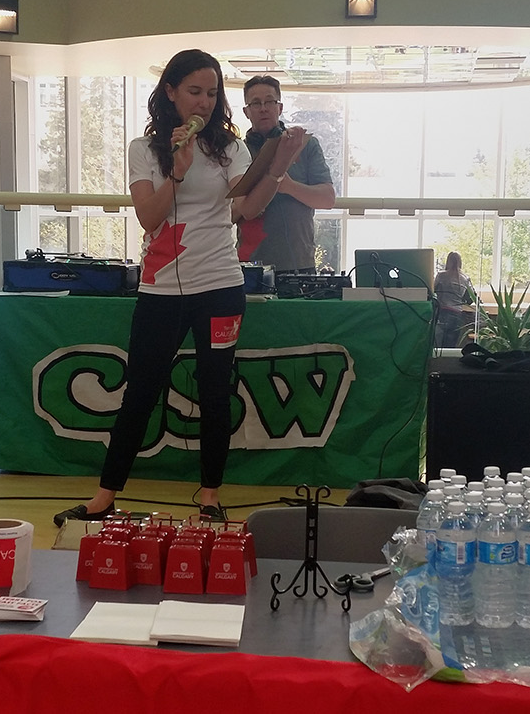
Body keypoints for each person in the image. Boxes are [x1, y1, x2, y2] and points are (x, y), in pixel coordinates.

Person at [54, 50, 303, 526]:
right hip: (161, 288)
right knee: (141, 392)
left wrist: (278, 167)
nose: (204, 102)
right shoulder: (144, 150)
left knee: (214, 391)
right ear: (170, 91)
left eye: (212, 93)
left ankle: (209, 495)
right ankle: (104, 498)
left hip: (220, 285)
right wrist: (178, 170)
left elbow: (247, 209)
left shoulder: (231, 148)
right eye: (194, 91)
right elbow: (149, 217)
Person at [235, 75, 334, 274]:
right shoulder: (236, 152)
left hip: (299, 262)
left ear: (279, 108)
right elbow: (225, 213)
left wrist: (287, 186)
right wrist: (256, 196)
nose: (263, 108)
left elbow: (327, 199)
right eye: (256, 103)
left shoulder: (303, 146)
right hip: (251, 264)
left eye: (269, 101)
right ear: (246, 111)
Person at [432, 251, 474, 348]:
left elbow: (432, 291)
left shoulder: (441, 275)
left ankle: (437, 363)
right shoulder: (465, 278)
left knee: (437, 346)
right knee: (451, 346)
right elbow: (471, 297)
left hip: (442, 312)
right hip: (457, 314)